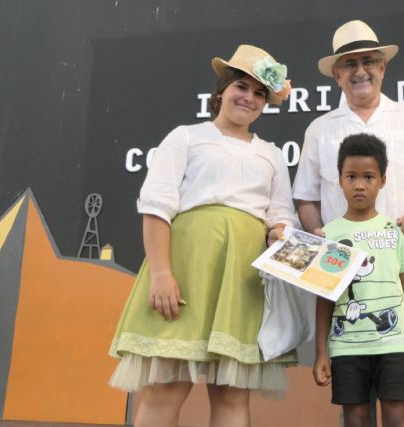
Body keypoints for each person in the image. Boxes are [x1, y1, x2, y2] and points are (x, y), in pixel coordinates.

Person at [109, 44, 296, 427]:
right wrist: (162, 274)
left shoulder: (272, 155)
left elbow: (280, 214)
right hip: (187, 268)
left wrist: (279, 232)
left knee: (232, 395)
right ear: (222, 91)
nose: (249, 98)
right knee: (164, 388)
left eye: (260, 93)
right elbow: (157, 207)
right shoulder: (186, 137)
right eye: (242, 87)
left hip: (242, 280)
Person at [293, 20, 404, 427]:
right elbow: (305, 199)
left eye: (369, 61)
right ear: (336, 74)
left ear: (383, 66)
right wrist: (322, 243)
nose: (360, 71)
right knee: (354, 395)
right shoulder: (319, 130)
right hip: (346, 282)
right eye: (349, 64)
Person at [313, 133, 404, 427]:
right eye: (351, 177)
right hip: (346, 346)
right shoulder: (329, 235)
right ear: (339, 180)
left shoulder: (394, 230)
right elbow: (324, 297)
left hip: (394, 344)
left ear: (382, 181)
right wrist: (321, 352)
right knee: (356, 417)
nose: (360, 185)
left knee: (395, 414)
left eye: (368, 177)